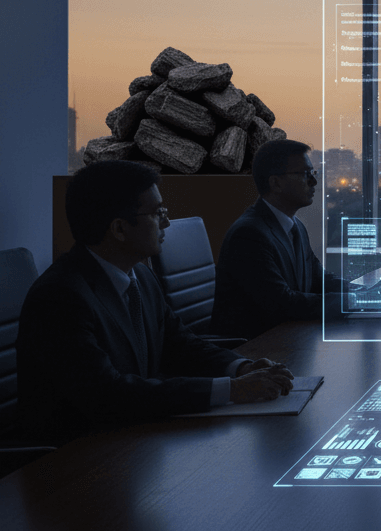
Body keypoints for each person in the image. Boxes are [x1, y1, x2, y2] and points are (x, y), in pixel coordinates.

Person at [18, 161, 294, 443]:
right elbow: (107, 395)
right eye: (157, 212)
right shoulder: (61, 297)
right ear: (119, 229)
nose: (166, 222)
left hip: (134, 437)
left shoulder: (140, 274)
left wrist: (241, 368)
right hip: (73, 460)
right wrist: (232, 390)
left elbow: (179, 344)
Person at [212, 139, 358, 339]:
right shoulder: (249, 235)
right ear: (276, 183)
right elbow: (283, 304)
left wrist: (362, 292)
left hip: (290, 339)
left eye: (312, 174)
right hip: (257, 351)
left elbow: (319, 279)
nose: (313, 181)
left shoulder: (295, 226)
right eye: (305, 174)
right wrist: (353, 300)